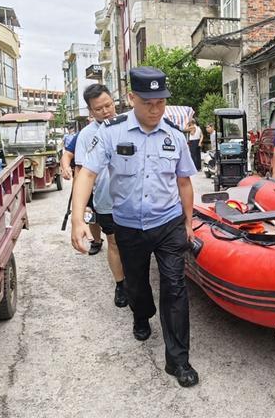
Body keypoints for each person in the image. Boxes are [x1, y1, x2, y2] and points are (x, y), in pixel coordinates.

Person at [70, 66, 199, 387]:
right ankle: (141, 315)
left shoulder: (174, 136)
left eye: (161, 102)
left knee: (174, 287)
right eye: (147, 102)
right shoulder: (111, 133)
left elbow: (184, 182)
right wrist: (77, 219)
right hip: (128, 225)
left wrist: (189, 223)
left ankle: (178, 360)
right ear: (131, 98)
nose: (156, 109)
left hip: (168, 223)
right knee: (137, 286)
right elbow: (86, 173)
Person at [73, 84, 127, 308]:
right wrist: (82, 206)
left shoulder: (128, 124)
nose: (106, 111)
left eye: (109, 105)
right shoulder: (86, 135)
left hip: (131, 197)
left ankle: (137, 281)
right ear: (90, 111)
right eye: (99, 109)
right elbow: (80, 171)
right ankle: (121, 284)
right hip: (105, 199)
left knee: (134, 243)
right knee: (113, 242)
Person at [60, 130, 104, 257]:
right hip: (88, 182)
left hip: (110, 183)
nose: (104, 111)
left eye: (107, 107)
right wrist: (66, 167)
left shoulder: (121, 125)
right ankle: (96, 240)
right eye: (98, 109)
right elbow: (67, 154)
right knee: (90, 213)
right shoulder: (83, 134)